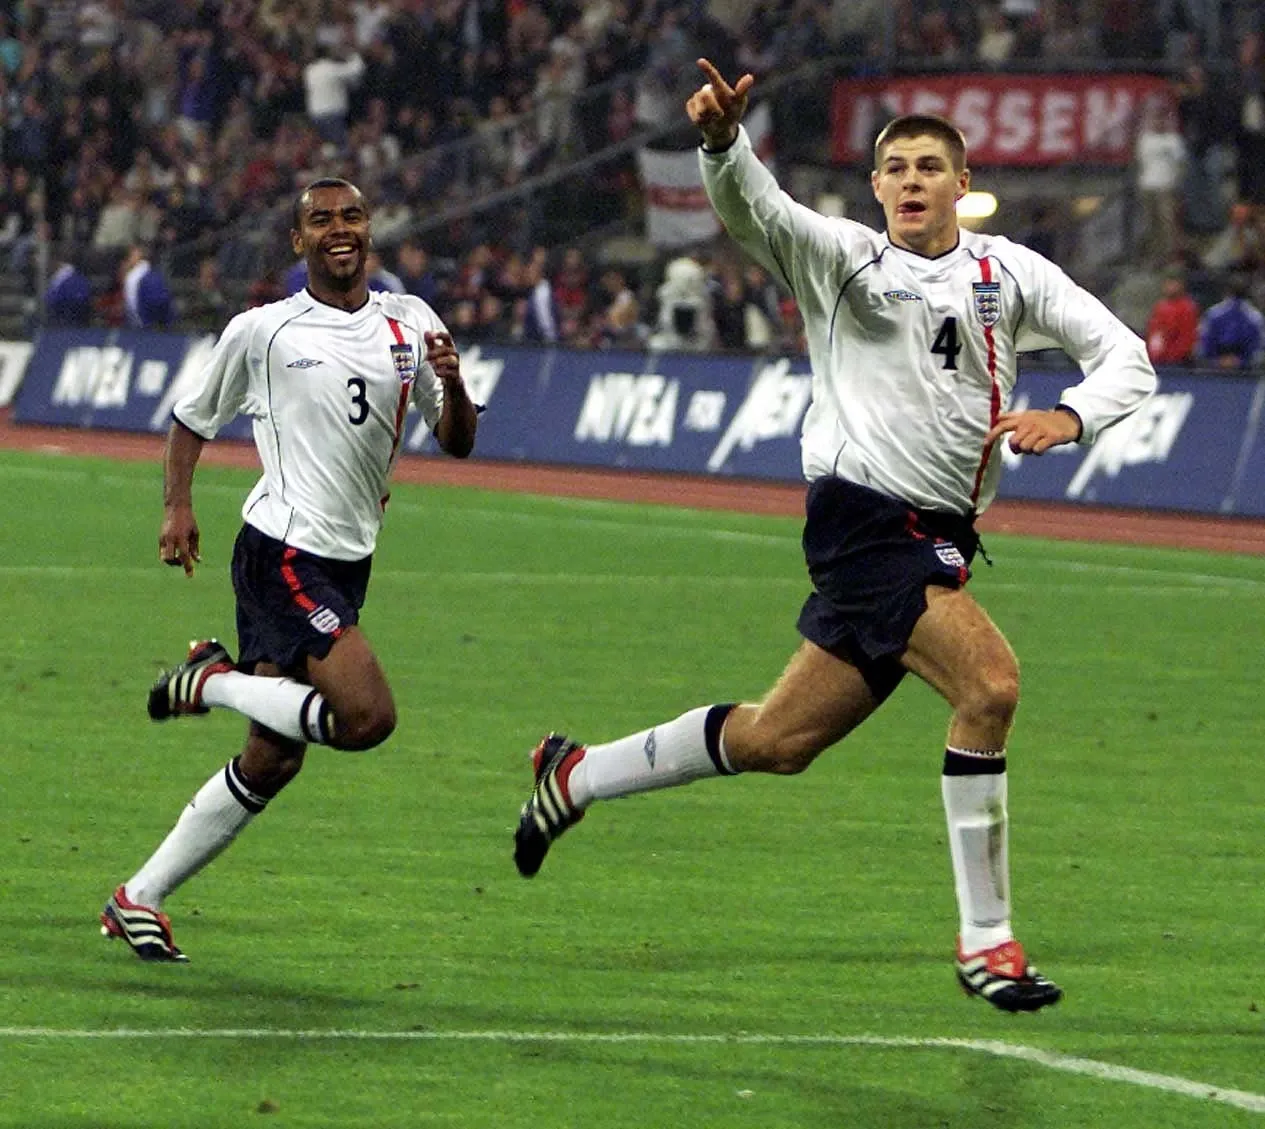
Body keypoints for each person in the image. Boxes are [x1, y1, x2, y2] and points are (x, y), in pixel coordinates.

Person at [512, 60, 1157, 1013]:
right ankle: (987, 942)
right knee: (990, 685)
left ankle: (577, 774)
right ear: (874, 187)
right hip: (865, 522)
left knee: (776, 741)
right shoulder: (846, 258)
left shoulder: (1009, 273)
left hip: (935, 528)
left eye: (927, 166)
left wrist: (1071, 412)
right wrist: (723, 145)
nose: (906, 181)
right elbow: (759, 214)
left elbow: (1125, 356)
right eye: (892, 166)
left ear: (960, 181)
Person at [101, 178, 479, 962]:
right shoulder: (264, 331)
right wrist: (177, 508)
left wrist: (459, 384)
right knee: (368, 716)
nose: (339, 229)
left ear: (368, 229)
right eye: (320, 220)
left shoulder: (411, 321)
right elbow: (190, 418)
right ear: (298, 241)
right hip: (282, 551)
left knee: (272, 757)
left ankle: (137, 895)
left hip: (348, 559)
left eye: (351, 216)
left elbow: (457, 439)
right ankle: (208, 679)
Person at [1196, 274, 1265, 369]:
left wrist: (1237, 362)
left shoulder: (1213, 313)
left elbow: (1203, 345)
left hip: (1242, 371)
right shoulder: (1256, 316)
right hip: (1226, 369)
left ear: (1226, 292)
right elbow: (1258, 350)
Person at [1145, 271, 1200, 365]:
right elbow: (1155, 332)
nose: (1169, 287)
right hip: (1158, 359)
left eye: (1173, 284)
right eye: (1167, 284)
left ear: (1181, 285)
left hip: (1178, 361)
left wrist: (1172, 357)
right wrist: (1153, 354)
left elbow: (1187, 337)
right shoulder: (1160, 306)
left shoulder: (1187, 307)